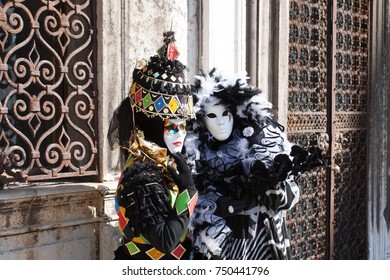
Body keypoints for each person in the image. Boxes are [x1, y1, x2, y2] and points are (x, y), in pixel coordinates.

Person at [187, 69, 324, 260]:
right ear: (201, 118)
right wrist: (221, 205)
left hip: (263, 243)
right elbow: (189, 202)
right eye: (212, 116)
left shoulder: (260, 143)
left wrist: (277, 192)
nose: (221, 123)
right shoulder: (197, 152)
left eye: (226, 113)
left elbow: (291, 192)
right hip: (224, 248)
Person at [108, 31, 198, 260]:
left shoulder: (160, 164)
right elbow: (166, 240)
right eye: (171, 126)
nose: (180, 134)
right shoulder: (142, 175)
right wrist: (189, 192)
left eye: (183, 126)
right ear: (154, 126)